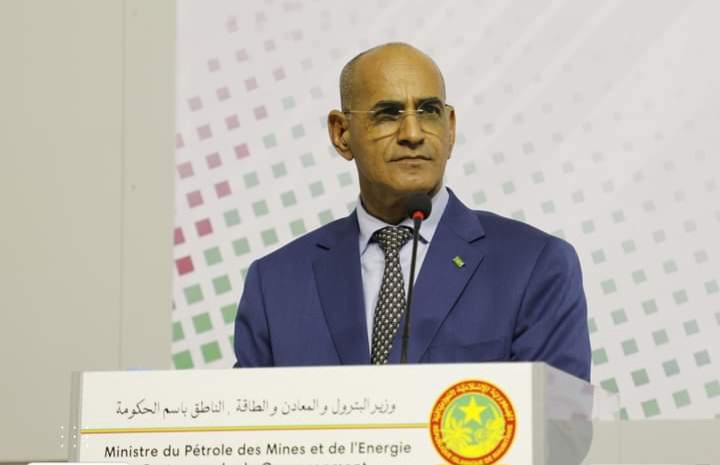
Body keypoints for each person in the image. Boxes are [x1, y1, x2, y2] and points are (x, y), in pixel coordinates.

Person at [234, 43, 591, 381]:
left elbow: (558, 417)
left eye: (428, 112)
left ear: (450, 128)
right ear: (342, 133)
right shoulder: (275, 283)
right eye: (388, 115)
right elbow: (240, 421)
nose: (412, 133)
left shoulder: (534, 266)